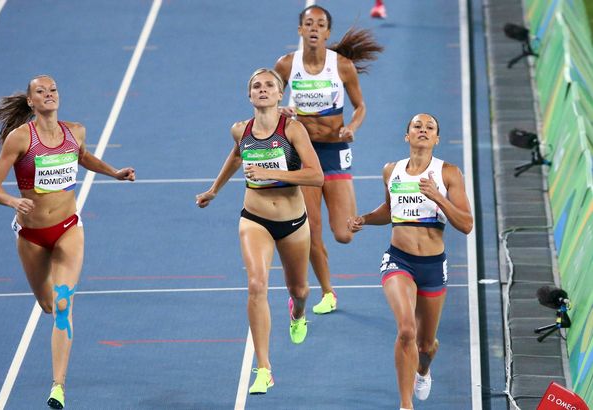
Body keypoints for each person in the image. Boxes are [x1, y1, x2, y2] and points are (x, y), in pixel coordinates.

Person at [0, 75, 135, 409]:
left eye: (53, 90)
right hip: (32, 236)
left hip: (68, 228)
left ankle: (58, 387)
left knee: (63, 305)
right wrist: (13, 202)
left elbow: (82, 157)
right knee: (48, 305)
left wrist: (113, 172)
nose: (49, 95)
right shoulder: (20, 138)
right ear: (30, 102)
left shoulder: (74, 131)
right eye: (41, 92)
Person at [196, 68, 323, 395]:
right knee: (256, 284)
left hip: (293, 221)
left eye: (269, 85)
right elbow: (236, 157)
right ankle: (264, 367)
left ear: (280, 95)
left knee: (300, 289)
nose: (263, 89)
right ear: (249, 95)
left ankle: (298, 312)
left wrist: (273, 171)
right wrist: (214, 190)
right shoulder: (241, 130)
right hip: (254, 217)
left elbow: (316, 176)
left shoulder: (292, 130)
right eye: (257, 86)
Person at [348, 113, 473, 410]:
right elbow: (389, 210)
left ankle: (423, 369)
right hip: (398, 261)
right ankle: (406, 405)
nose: (423, 130)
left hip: (432, 266)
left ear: (437, 139)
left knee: (426, 346)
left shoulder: (449, 173)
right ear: (407, 136)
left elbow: (466, 224)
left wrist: (438, 198)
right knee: (406, 330)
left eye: (430, 128)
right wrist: (364, 218)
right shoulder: (391, 171)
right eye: (417, 126)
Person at [274, 5, 383, 315]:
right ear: (300, 31)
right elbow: (272, 102)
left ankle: (326, 283)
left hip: (334, 152)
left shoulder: (342, 66)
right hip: (303, 155)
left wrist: (352, 127)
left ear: (327, 33)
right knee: (310, 230)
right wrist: (281, 111)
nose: (313, 28)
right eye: (308, 23)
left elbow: (360, 106)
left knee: (344, 233)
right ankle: (328, 292)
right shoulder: (285, 65)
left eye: (320, 24)